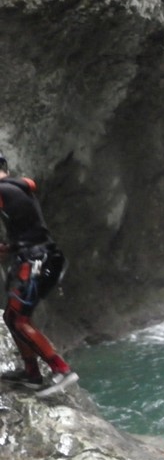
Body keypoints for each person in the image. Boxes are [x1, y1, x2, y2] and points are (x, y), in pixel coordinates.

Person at [0, 155, 77, 398]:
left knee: (19, 319)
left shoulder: (3, 190)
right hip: (39, 256)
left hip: (37, 260)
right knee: (12, 317)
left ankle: (62, 370)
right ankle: (32, 373)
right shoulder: (15, 187)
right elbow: (30, 228)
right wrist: (10, 248)